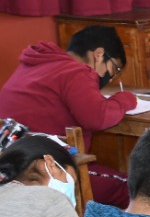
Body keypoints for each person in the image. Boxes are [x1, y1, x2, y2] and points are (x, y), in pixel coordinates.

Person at [0, 25, 137, 207]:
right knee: (140, 189)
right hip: (42, 171)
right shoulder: (76, 71)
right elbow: (98, 117)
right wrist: (126, 99)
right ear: (98, 54)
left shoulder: (33, 65)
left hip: (10, 166)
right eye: (114, 68)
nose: (109, 77)